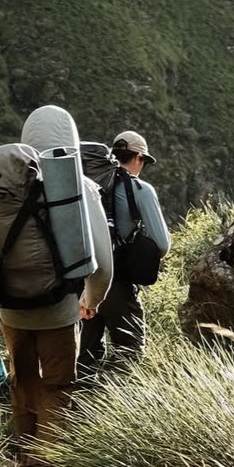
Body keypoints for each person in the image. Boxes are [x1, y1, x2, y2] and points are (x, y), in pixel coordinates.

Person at [0, 105, 112, 467]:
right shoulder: (79, 188)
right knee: (57, 385)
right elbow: (103, 264)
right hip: (58, 310)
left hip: (11, 313)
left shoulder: (0, 186)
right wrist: (93, 300)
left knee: (23, 384)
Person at [79, 129, 171, 373]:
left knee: (84, 354)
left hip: (79, 281)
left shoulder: (86, 185)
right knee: (130, 350)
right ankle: (112, 402)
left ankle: (78, 405)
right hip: (116, 282)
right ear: (138, 158)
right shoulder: (139, 189)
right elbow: (162, 244)